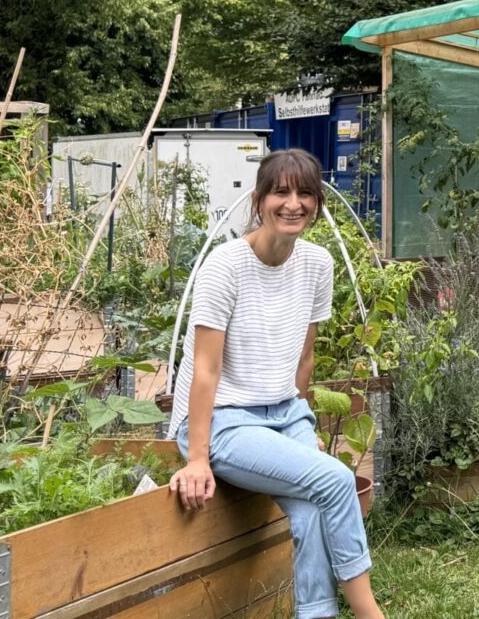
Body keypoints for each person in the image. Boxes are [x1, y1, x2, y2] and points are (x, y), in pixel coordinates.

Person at [167, 149, 385, 619]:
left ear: (318, 203)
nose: (293, 203)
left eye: (305, 193)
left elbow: (304, 358)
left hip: (286, 414)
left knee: (309, 513)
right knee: (335, 479)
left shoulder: (317, 264)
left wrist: (300, 423)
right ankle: (371, 614)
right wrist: (198, 458)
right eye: (281, 192)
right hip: (223, 421)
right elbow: (205, 371)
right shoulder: (224, 266)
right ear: (258, 199)